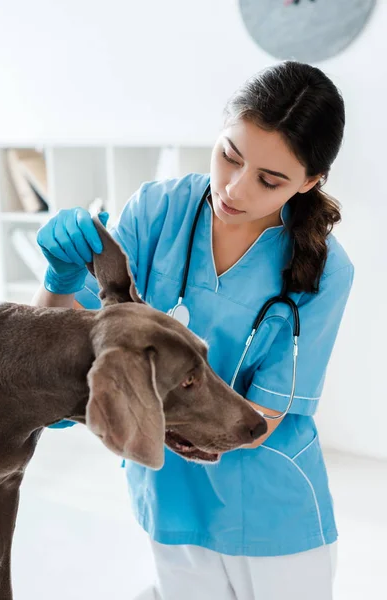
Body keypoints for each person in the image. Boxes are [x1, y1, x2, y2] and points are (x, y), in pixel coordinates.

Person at [34, 61, 354, 599]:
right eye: (229, 154)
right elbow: (59, 357)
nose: (233, 187)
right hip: (168, 498)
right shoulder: (156, 211)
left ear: (310, 182)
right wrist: (59, 278)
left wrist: (123, 413)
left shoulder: (325, 271)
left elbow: (262, 421)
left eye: (269, 180)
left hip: (271, 509)